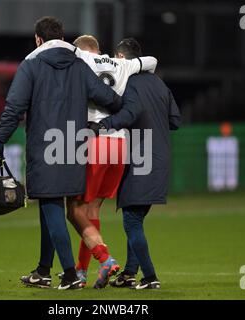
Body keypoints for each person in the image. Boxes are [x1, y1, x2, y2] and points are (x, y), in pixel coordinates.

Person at [0, 17, 121, 290]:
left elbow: (14, 106)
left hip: (44, 146)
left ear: (38, 39)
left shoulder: (31, 65)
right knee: (50, 205)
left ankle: (71, 274)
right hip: (74, 146)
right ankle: (43, 270)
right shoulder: (78, 65)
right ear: (62, 37)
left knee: (51, 205)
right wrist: (123, 106)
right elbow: (106, 96)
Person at [25, 35, 158, 288]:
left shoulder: (81, 59)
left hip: (94, 140)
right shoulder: (123, 65)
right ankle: (82, 271)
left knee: (74, 210)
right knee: (93, 210)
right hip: (120, 145)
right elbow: (152, 61)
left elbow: (53, 52)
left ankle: (105, 259)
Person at [96, 38, 182, 289]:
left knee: (131, 221)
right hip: (161, 159)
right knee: (136, 220)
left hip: (140, 159)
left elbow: (130, 113)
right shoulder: (160, 84)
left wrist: (105, 125)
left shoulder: (129, 83)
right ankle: (129, 274)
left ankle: (150, 277)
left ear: (121, 58)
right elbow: (175, 120)